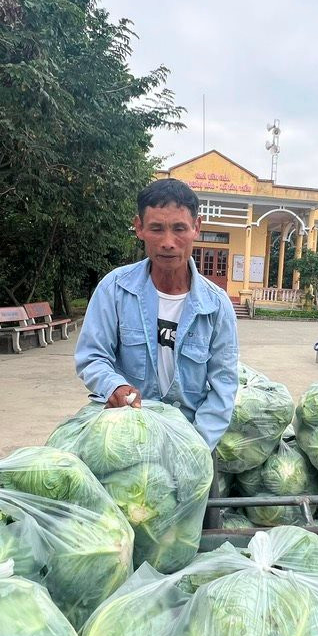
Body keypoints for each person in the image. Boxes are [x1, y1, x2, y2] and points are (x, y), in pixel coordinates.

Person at [75, 178, 240, 450]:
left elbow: (223, 385)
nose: (168, 242)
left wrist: (194, 448)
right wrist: (114, 385)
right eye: (156, 228)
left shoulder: (216, 305)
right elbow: (92, 356)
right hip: (124, 438)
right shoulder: (115, 289)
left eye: (179, 229)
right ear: (139, 228)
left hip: (191, 440)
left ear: (196, 228)